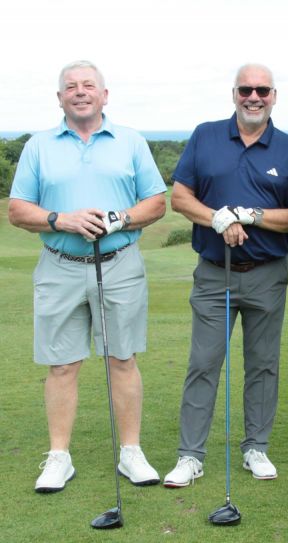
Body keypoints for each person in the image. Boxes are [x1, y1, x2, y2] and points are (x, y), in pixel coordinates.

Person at [8, 60, 166, 493]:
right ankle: (59, 457)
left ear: (104, 95)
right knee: (62, 365)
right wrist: (62, 219)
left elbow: (156, 203)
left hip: (119, 263)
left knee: (122, 359)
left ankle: (131, 452)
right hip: (59, 265)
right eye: (71, 87)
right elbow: (18, 209)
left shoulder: (131, 141)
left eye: (88, 85)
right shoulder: (39, 146)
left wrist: (118, 219)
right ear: (60, 98)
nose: (80, 91)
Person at [164, 63, 288, 487]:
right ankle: (190, 456)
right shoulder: (206, 135)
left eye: (262, 90)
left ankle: (255, 448)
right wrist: (217, 217)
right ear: (234, 94)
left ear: (274, 96)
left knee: (263, 365)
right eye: (246, 89)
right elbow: (180, 197)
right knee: (203, 363)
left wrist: (251, 215)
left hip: (267, 273)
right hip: (214, 274)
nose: (253, 97)